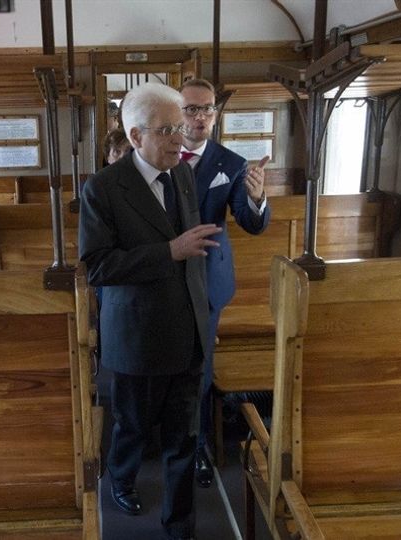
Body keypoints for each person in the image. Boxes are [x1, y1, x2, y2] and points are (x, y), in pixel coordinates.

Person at [79, 81, 221, 540]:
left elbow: (194, 252)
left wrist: (205, 316)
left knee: (183, 438)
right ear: (136, 136)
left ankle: (181, 525)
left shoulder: (181, 174)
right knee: (133, 429)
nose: (180, 138)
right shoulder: (102, 188)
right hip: (138, 335)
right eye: (167, 130)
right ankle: (120, 480)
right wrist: (168, 251)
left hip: (188, 332)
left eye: (181, 126)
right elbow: (98, 266)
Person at [178, 78, 271, 487]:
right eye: (191, 108)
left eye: (207, 109)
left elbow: (250, 224)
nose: (200, 117)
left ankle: (197, 447)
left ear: (216, 114)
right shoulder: (156, 156)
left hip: (208, 281)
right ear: (176, 111)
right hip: (164, 279)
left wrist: (256, 198)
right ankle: (163, 438)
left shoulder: (231, 164)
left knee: (200, 368)